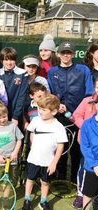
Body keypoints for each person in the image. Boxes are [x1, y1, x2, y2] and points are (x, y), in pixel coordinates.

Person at [47, 41, 94, 182]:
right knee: (60, 149)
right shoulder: (52, 71)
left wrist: (79, 113)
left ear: (73, 54)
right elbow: (49, 94)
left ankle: (75, 180)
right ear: (59, 54)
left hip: (78, 118)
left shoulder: (83, 70)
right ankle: (58, 179)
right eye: (63, 52)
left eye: (68, 52)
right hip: (58, 117)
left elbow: (89, 94)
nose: (66, 55)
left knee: (76, 151)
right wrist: (57, 105)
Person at [22, 94, 68, 210]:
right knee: (30, 179)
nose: (40, 111)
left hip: (48, 162)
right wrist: (33, 145)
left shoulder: (59, 127)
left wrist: (54, 163)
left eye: (43, 109)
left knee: (45, 182)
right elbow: (31, 132)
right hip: (33, 159)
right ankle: (27, 200)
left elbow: (60, 146)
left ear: (53, 112)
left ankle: (43, 201)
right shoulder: (36, 120)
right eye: (39, 108)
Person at [71, 77, 98, 209]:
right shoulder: (87, 101)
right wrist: (87, 128)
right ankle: (81, 194)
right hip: (86, 145)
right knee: (84, 170)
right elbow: (76, 116)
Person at [0, 47, 28, 126]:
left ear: (15, 60)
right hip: (0, 115)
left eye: (12, 59)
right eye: (6, 60)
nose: (9, 62)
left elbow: (21, 96)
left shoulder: (23, 73)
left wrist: (15, 117)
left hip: (16, 115)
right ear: (1, 60)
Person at [79, 99, 98, 209]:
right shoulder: (87, 124)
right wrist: (95, 164)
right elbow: (85, 147)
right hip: (92, 168)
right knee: (88, 194)